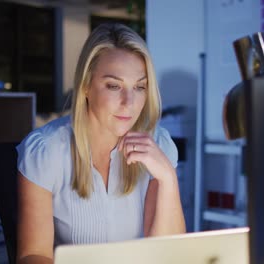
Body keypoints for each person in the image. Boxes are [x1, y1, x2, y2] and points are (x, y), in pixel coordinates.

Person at [16, 23, 186, 264]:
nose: (129, 102)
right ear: (86, 86)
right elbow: (32, 256)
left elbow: (169, 254)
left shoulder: (158, 145)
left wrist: (167, 178)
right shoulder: (46, 150)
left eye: (139, 87)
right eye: (114, 86)